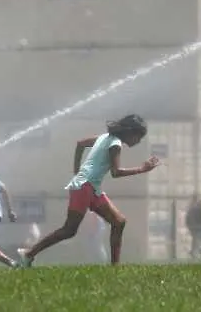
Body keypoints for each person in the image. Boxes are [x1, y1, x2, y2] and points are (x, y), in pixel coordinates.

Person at [18, 114, 159, 267]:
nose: (138, 141)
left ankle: (115, 267)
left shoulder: (105, 137)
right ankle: (28, 254)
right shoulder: (115, 144)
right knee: (69, 230)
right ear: (130, 132)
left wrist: (77, 171)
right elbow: (115, 172)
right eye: (138, 136)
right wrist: (142, 169)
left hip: (91, 187)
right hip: (85, 187)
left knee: (119, 222)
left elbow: (80, 144)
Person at [185, 193, 201, 258]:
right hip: (195, 224)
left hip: (193, 224)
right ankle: (196, 251)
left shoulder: (192, 205)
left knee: (195, 238)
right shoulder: (196, 205)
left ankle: (194, 251)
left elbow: (188, 216)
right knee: (196, 238)